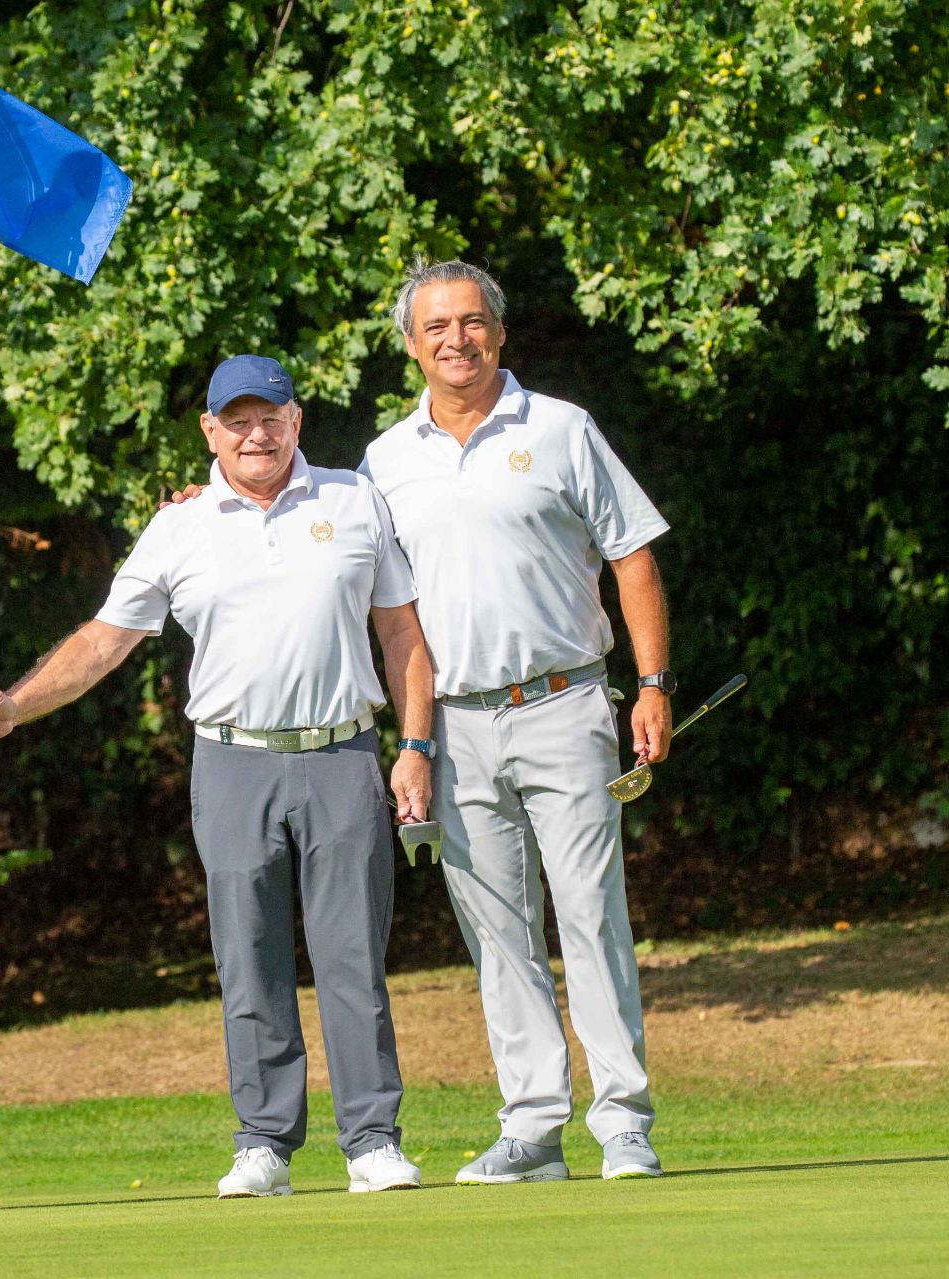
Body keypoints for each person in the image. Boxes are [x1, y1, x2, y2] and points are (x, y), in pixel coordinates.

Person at [0, 355, 437, 1199]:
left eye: (271, 417)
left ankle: (371, 1139)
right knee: (247, 959)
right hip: (231, 761)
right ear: (209, 431)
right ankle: (264, 1143)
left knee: (353, 957)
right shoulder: (178, 527)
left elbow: (400, 634)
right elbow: (104, 640)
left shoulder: (353, 499)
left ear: (296, 421)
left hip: (342, 753)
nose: (256, 435)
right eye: (237, 421)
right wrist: (14, 706)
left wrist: (416, 745)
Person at [358, 258, 674, 1183]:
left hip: (564, 703)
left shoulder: (561, 428)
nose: (455, 339)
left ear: (498, 332)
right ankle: (533, 1127)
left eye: (471, 322)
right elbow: (355, 578)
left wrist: (652, 682)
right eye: (435, 327)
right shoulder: (385, 459)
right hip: (453, 726)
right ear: (410, 345)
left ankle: (622, 1122)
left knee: (589, 913)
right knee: (497, 933)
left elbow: (632, 555)